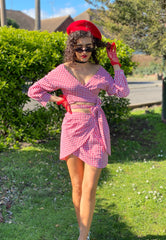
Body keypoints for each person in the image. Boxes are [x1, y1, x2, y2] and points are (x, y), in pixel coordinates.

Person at [28, 20, 130, 240]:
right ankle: (84, 230)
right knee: (77, 186)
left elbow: (121, 91)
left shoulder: (100, 71)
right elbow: (34, 90)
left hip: (95, 129)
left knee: (90, 187)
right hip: (72, 128)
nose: (84, 52)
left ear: (93, 48)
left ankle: (83, 237)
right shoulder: (62, 70)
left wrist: (116, 64)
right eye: (79, 47)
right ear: (71, 46)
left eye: (88, 47)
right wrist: (57, 99)